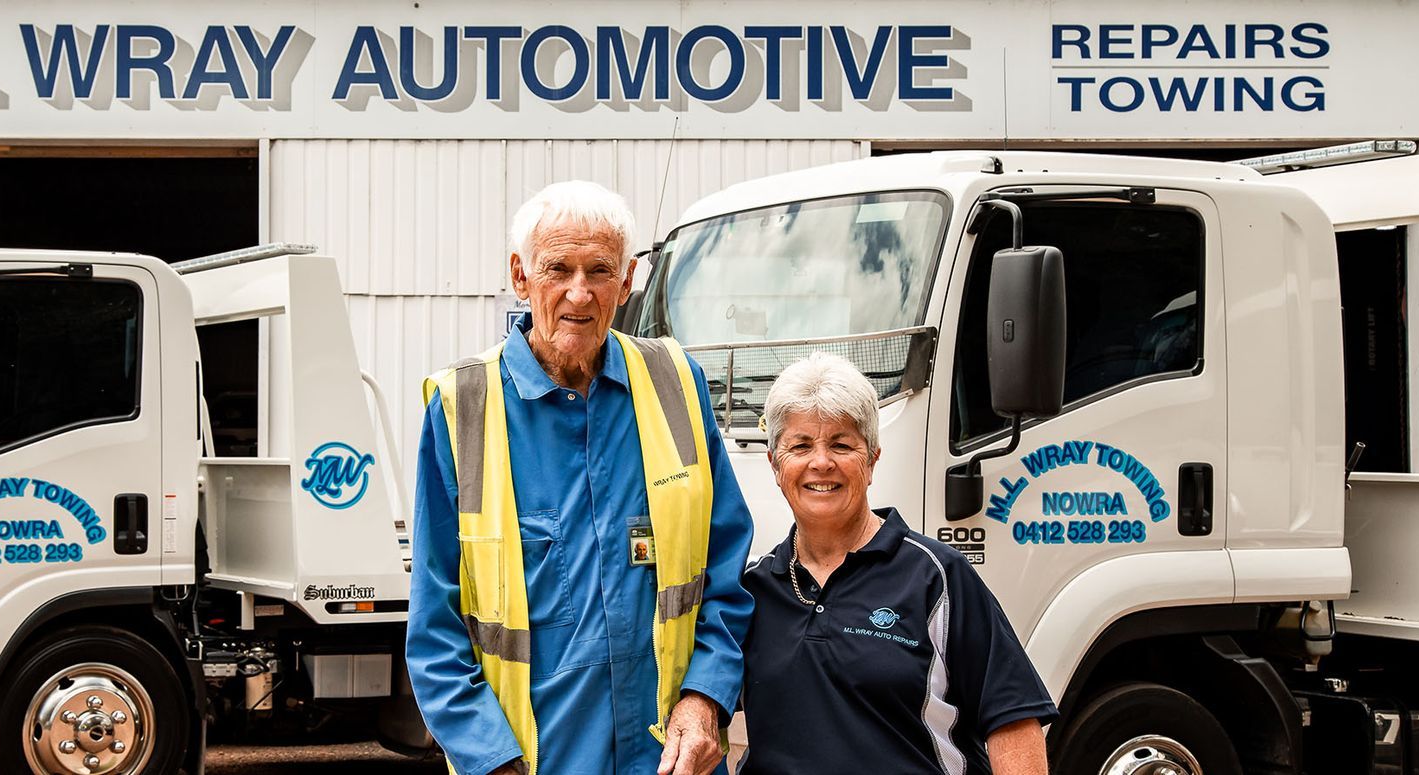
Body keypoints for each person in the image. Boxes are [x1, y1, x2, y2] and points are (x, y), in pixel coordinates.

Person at [407, 181, 755, 775]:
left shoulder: (675, 383)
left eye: (599, 270)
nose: (579, 292)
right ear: (520, 276)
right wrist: (492, 760)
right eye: (557, 269)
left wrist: (705, 698)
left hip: (670, 760)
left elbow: (725, 569)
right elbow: (435, 628)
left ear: (628, 280)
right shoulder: (463, 407)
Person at [738, 352, 1056, 775]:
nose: (821, 462)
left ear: (871, 460)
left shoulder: (936, 576)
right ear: (775, 465)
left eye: (841, 444)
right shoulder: (752, 589)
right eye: (800, 446)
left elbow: (1012, 720)